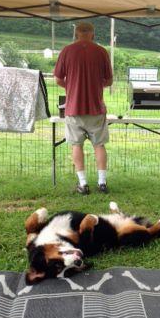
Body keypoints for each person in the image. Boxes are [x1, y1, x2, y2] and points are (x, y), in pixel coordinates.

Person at [54, 22, 113, 194]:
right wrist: (95, 87)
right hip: (96, 108)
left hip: (73, 108)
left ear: (76, 34)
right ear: (93, 34)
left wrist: (71, 87)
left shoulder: (67, 51)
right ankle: (102, 183)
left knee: (76, 145)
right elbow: (109, 81)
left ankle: (83, 184)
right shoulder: (102, 52)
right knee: (99, 145)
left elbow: (58, 79)